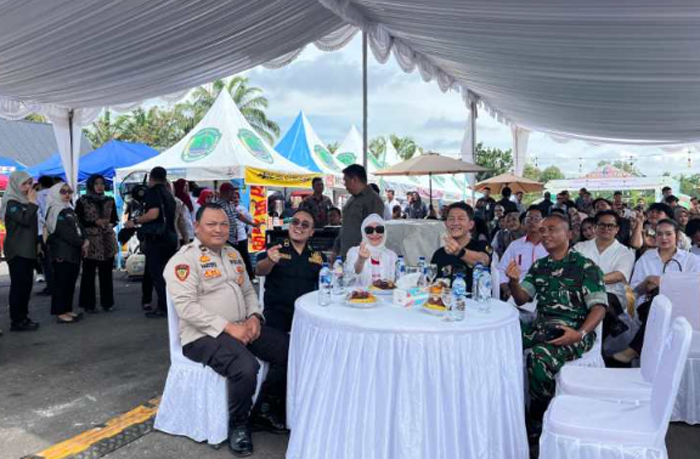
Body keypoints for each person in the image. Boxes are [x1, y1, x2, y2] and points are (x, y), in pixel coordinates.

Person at [165, 203, 289, 457]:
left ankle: (264, 410)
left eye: (224, 224)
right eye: (211, 224)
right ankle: (239, 425)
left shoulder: (233, 253)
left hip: (242, 325)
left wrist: (254, 317)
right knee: (245, 366)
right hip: (202, 335)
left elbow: (248, 291)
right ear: (197, 227)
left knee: (288, 350)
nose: (219, 229)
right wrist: (228, 327)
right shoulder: (183, 260)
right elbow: (187, 308)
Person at [505, 213, 607, 438]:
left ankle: (539, 417)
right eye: (543, 230)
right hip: (542, 328)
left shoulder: (585, 267)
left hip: (571, 331)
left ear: (569, 234)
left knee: (539, 358)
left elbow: (599, 308)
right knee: (503, 339)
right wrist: (513, 282)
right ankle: (507, 408)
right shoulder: (540, 266)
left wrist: (579, 334)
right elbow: (522, 299)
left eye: (552, 229)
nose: (545, 234)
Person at [613, 219, 700, 365]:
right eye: (659, 234)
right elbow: (633, 292)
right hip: (648, 306)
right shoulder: (646, 259)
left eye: (668, 234)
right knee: (657, 304)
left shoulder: (691, 260)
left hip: (683, 309)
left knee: (662, 304)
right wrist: (646, 283)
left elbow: (695, 287)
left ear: (677, 236)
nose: (664, 238)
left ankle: (635, 349)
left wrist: (669, 284)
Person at [256, 209, 325, 332]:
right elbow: (259, 270)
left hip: (306, 313)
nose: (299, 226)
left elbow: (325, 284)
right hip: (277, 313)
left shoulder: (318, 256)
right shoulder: (276, 247)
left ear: (311, 232)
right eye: (295, 222)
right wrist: (270, 261)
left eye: (305, 225)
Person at [124, 166, 177, 318]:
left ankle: (163, 307)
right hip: (170, 237)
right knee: (166, 274)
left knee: (157, 274)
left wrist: (135, 221)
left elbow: (153, 214)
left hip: (157, 238)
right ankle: (169, 305)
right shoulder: (168, 193)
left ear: (151, 178)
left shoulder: (153, 192)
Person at [574, 210, 635, 339]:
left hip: (612, 294)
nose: (606, 228)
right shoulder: (580, 247)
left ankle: (593, 343)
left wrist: (590, 280)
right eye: (602, 225)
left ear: (617, 229)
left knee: (602, 302)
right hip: (580, 292)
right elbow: (571, 269)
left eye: (610, 226)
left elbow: (619, 275)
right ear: (595, 227)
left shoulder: (624, 252)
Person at [1, 170, 40, 331]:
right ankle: (17, 320)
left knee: (26, 285)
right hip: (17, 251)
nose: (28, 187)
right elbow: (24, 220)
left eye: (30, 183)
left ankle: (23, 317)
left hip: (28, 249)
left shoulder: (25, 202)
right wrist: (32, 203)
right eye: (24, 183)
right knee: (19, 286)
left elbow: (32, 226)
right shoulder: (11, 203)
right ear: (15, 184)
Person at [46, 182, 88, 324]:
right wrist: (82, 243)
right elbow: (65, 232)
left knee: (70, 283)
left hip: (72, 252)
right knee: (61, 284)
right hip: (62, 253)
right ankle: (60, 312)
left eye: (69, 191)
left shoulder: (68, 209)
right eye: (63, 192)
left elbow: (79, 227)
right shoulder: (55, 210)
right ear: (55, 193)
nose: (67, 194)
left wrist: (85, 239)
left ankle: (67, 309)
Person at [76, 174, 118, 313]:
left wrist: (109, 223)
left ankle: (107, 303)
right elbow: (79, 221)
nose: (100, 186)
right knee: (88, 273)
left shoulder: (109, 200)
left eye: (102, 183)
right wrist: (94, 222)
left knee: (106, 273)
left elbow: (115, 219)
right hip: (91, 240)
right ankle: (88, 304)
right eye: (96, 184)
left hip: (107, 240)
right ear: (91, 185)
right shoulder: (82, 201)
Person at [431, 202, 491, 292]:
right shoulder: (439, 254)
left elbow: (483, 260)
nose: (455, 223)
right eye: (451, 219)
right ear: (446, 224)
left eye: (461, 219)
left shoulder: (481, 245)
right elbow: (432, 283)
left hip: (474, 299)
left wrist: (459, 252)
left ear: (471, 224)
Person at [498, 206, 548, 301]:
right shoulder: (515, 245)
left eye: (536, 218)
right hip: (518, 294)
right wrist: (507, 291)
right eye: (529, 219)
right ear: (524, 223)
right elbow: (500, 270)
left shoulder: (550, 245)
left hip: (545, 297)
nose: (532, 222)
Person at [337, 164, 385, 257]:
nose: (345, 185)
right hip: (346, 253)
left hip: (362, 256)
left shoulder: (373, 200)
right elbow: (346, 227)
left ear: (354, 180)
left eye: (346, 181)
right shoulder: (352, 198)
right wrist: (336, 248)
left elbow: (373, 232)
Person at [347, 214, 397, 286]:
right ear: (364, 233)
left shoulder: (392, 255)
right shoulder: (354, 252)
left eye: (379, 229)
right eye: (369, 230)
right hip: (361, 293)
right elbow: (352, 273)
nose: (375, 233)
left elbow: (395, 281)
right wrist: (361, 260)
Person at [231, 189, 258, 281]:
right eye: (234, 198)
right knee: (232, 257)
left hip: (242, 237)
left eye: (237, 198)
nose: (236, 199)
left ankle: (251, 276)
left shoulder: (242, 209)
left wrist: (249, 232)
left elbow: (250, 220)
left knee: (245, 257)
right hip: (231, 238)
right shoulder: (227, 208)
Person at [36, 175, 55, 295]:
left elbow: (36, 215)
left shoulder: (37, 196)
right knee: (55, 260)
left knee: (46, 261)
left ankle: (50, 286)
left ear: (40, 184)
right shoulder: (56, 194)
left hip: (42, 232)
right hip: (56, 231)